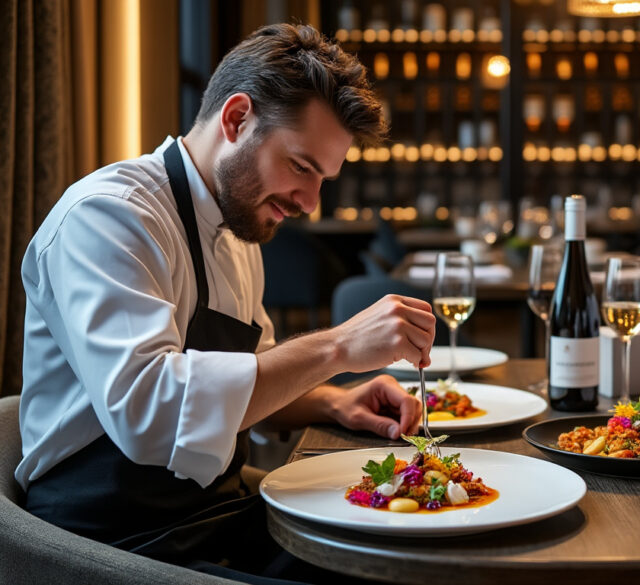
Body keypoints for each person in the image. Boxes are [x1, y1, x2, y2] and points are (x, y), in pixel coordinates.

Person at [18, 23, 434, 582]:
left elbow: (251, 380)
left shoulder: (237, 228)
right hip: (115, 543)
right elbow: (152, 413)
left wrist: (334, 402)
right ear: (236, 119)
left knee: (405, 556)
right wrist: (338, 346)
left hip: (214, 515)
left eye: (323, 179)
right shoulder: (110, 217)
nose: (310, 202)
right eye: (302, 167)